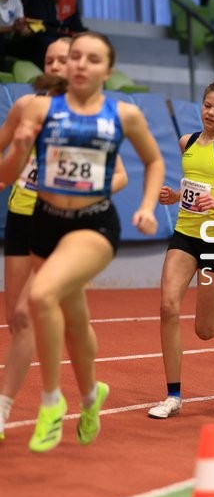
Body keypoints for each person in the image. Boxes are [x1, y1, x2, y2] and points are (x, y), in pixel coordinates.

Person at [0, 32, 165, 452]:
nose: (78, 64)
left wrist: (146, 206)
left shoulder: (123, 114)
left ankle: (51, 401)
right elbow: (4, 175)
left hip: (93, 225)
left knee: (40, 297)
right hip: (44, 223)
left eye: (92, 59)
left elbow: (154, 160)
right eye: (74, 56)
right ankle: (92, 397)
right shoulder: (34, 108)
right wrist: (19, 148)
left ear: (108, 71)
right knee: (73, 321)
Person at [147, 81, 214, 419]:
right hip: (185, 234)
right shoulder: (186, 142)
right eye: (207, 105)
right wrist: (175, 197)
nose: (211, 113)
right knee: (167, 307)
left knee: (204, 330)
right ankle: (173, 396)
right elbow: (195, 184)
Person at [24, 0, 85, 68]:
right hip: (42, 38)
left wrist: (82, 35)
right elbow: (42, 27)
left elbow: (77, 27)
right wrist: (67, 35)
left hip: (63, 36)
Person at [0, 0, 31, 69]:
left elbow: (20, 23)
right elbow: (13, 28)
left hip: (12, 37)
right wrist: (12, 28)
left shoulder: (16, 0)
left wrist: (25, 30)